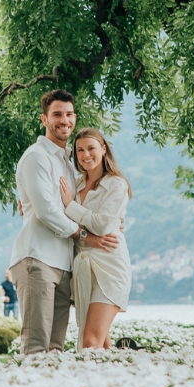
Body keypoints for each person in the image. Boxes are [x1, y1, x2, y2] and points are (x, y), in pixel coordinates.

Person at [10, 89, 119, 355]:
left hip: (64, 265)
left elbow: (80, 206)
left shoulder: (69, 164)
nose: (64, 120)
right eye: (57, 114)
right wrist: (86, 236)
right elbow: (47, 211)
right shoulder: (36, 157)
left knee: (55, 350)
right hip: (38, 260)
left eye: (69, 114)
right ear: (44, 119)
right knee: (36, 349)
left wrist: (111, 222)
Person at [59, 128, 132, 349]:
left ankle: (90, 381)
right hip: (82, 268)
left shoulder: (116, 184)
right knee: (101, 342)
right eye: (80, 150)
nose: (85, 154)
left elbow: (102, 225)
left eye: (91, 148)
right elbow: (53, 212)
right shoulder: (75, 184)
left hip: (109, 266)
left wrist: (71, 206)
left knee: (90, 341)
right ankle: (115, 382)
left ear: (103, 149)